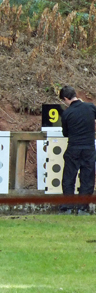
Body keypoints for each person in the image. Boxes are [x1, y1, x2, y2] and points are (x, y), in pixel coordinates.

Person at [58, 85, 96, 215]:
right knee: (87, 178)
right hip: (89, 148)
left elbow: (65, 133)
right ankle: (83, 208)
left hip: (73, 147)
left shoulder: (67, 113)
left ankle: (67, 207)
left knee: (69, 177)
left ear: (66, 98)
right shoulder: (91, 107)